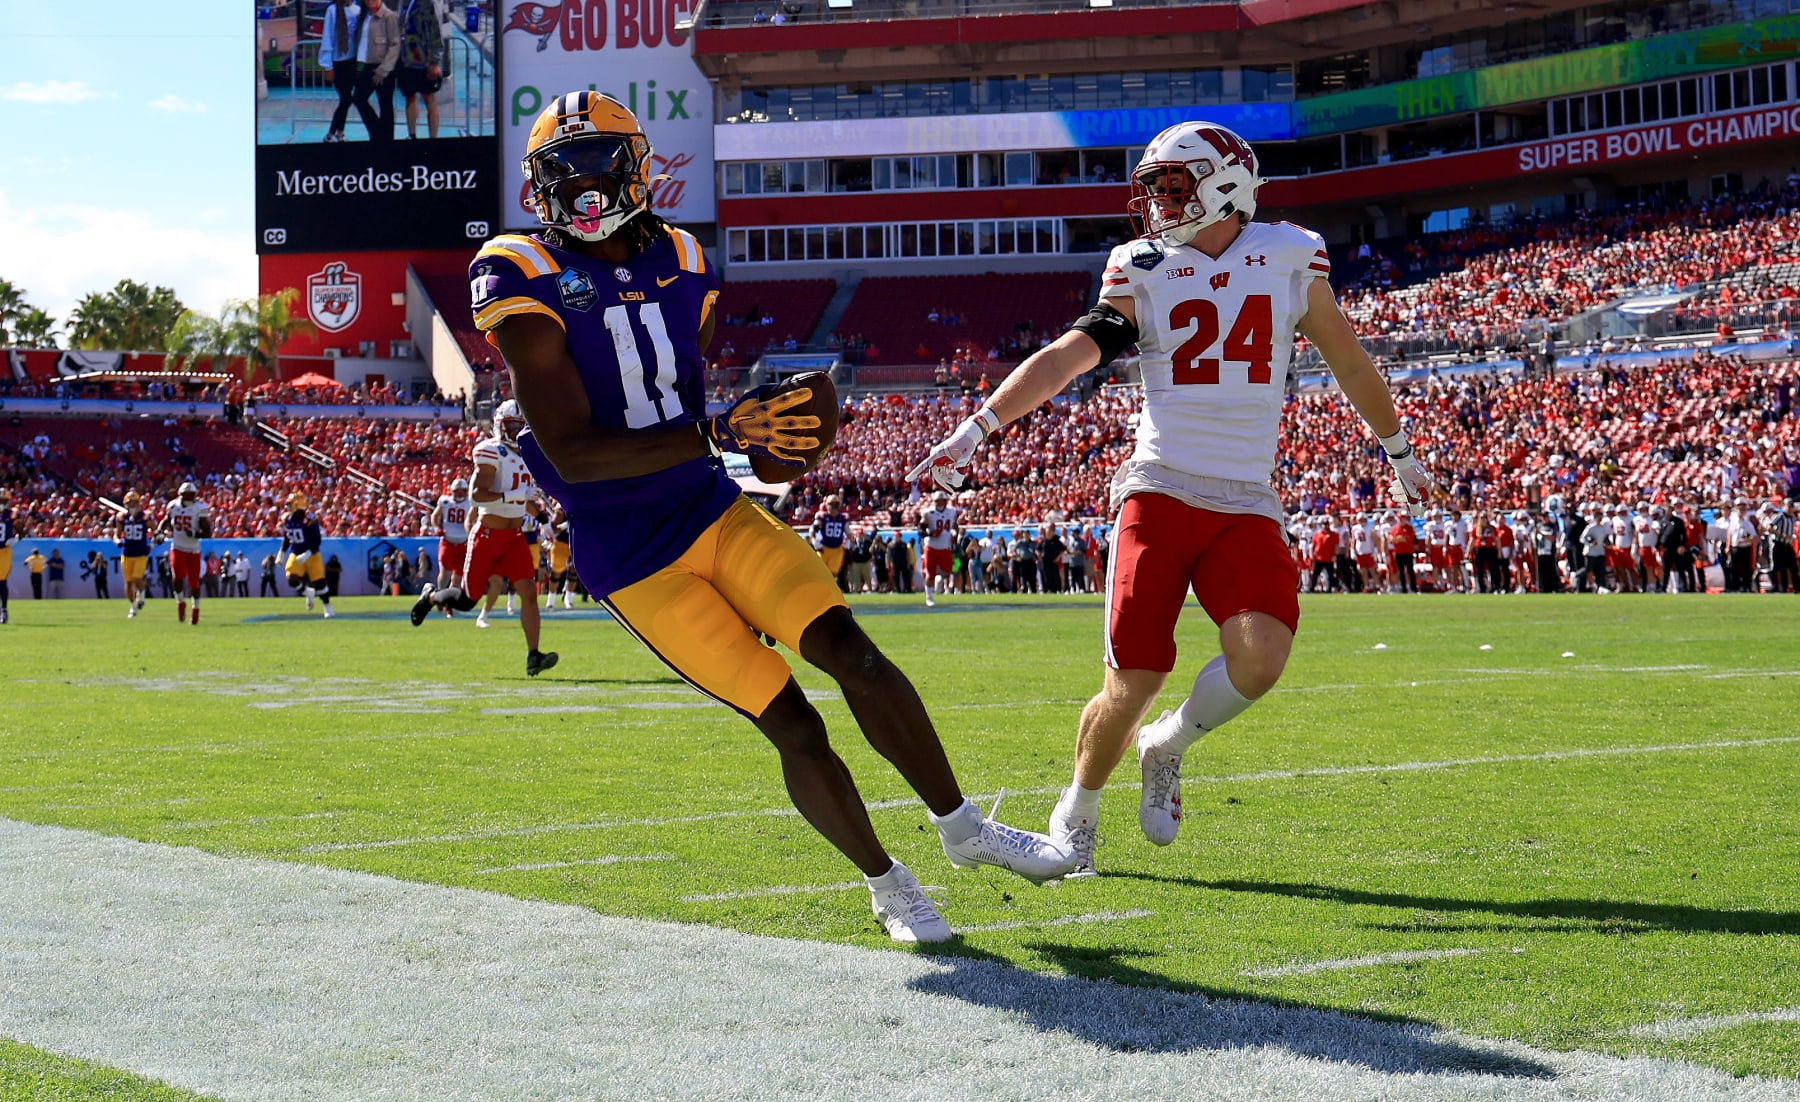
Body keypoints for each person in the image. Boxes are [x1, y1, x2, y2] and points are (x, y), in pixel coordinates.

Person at [444, 90, 1075, 940]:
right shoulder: (517, 267)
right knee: (792, 721)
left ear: (636, 169)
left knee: (857, 656)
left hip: (711, 507)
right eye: (567, 172)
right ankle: (889, 884)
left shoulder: (685, 257)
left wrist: (763, 441)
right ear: (537, 186)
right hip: (630, 554)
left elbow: (673, 390)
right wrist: (713, 432)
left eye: (600, 165)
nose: (586, 187)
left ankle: (965, 829)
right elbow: (574, 452)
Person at [908, 120, 1437, 877]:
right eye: (1152, 187)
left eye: (1170, 185)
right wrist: (979, 426)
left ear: (1222, 184)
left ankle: (1169, 744)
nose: (1155, 201)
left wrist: (1399, 448)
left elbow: (1348, 359)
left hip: (1246, 496)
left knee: (1261, 659)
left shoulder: (1289, 254)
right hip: (1159, 488)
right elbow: (1070, 354)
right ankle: (1078, 810)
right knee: (1134, 679)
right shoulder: (1143, 265)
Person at [411, 400, 558, 674]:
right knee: (467, 600)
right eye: (511, 426)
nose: (515, 432)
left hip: (514, 537)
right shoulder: (490, 450)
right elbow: (476, 495)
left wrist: (543, 520)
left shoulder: (527, 453)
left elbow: (524, 497)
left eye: (519, 426)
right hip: (487, 535)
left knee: (528, 591)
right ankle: (431, 597)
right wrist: (517, 495)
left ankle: (534, 655)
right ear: (500, 425)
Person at [158, 481, 212, 624]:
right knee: (177, 578)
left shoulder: (199, 508)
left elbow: (207, 533)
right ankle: (180, 603)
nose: (189, 497)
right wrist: (159, 531)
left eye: (191, 494)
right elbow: (166, 521)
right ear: (181, 494)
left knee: (194, 583)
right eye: (186, 494)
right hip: (177, 547)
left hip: (193, 549)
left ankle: (195, 610)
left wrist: (194, 534)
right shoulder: (172, 506)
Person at [350, 0, 400, 142]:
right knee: (359, 99)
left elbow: (395, 44)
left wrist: (384, 69)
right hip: (365, 66)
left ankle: (387, 141)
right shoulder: (363, 16)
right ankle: (378, 135)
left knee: (385, 105)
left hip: (382, 66)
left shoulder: (388, 16)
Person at [281, 493, 335, 619]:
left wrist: (308, 553)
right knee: (292, 579)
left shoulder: (310, 518)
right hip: (296, 553)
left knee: (320, 583)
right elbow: (287, 537)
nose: (287, 507)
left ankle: (327, 606)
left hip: (312, 554)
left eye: (290, 504)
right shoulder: (288, 518)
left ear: (297, 504)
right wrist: (282, 552)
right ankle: (307, 592)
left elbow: (317, 541)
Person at [396, 0, 445, 139]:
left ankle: (433, 139)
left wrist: (435, 61)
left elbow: (436, 31)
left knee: (429, 98)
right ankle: (412, 135)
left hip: (425, 60)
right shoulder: (404, 2)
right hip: (407, 59)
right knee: (409, 97)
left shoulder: (429, 3)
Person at [317, 0, 362, 143]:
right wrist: (328, 65)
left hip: (352, 61)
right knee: (346, 99)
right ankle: (331, 134)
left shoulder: (358, 10)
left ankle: (338, 133)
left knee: (346, 100)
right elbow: (327, 37)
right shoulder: (332, 10)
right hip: (338, 62)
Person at [918, 489, 959, 605]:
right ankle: (929, 597)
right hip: (931, 546)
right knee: (930, 574)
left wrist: (955, 533)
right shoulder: (928, 513)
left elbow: (955, 525)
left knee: (948, 570)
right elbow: (920, 529)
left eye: (941, 500)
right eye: (937, 500)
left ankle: (938, 582)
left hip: (945, 546)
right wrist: (930, 534)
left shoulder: (952, 512)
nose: (939, 503)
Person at [115, 491, 153, 617]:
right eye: (129, 503)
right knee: (129, 582)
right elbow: (117, 534)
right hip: (127, 553)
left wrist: (151, 546)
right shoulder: (121, 517)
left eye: (134, 503)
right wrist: (117, 541)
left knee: (137, 579)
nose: (132, 505)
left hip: (140, 553)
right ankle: (132, 607)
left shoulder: (144, 517)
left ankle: (141, 594)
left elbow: (156, 531)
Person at [430, 477, 472, 589]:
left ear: (466, 491)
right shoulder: (445, 501)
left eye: (462, 490)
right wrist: (436, 528)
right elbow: (435, 515)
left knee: (458, 576)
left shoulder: (471, 503)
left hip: (464, 542)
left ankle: (449, 600)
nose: (459, 493)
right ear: (452, 491)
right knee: (445, 574)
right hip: (448, 540)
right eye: (457, 490)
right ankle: (440, 596)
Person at [810, 495, 849, 590]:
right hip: (824, 548)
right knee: (820, 572)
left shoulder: (843, 518)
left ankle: (826, 591)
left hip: (837, 549)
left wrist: (848, 541)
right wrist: (814, 541)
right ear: (827, 506)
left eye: (835, 505)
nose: (833, 507)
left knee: (832, 574)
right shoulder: (822, 516)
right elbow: (812, 530)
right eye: (831, 504)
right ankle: (818, 590)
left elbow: (848, 532)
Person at [0, 491, 13, 624]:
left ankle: (4, 609)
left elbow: (21, 528)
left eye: (3, 500)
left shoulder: (11, 514)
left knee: (2, 581)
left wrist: (17, 538)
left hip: (4, 552)